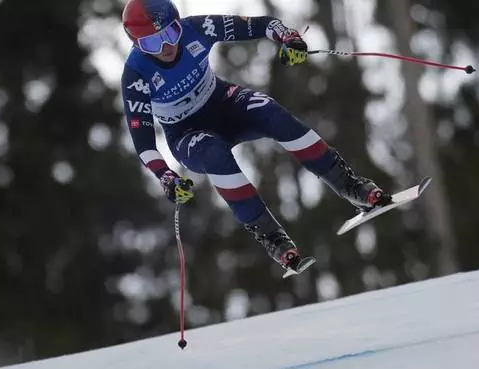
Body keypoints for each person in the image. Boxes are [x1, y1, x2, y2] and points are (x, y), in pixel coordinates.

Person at [121, 0, 392, 274]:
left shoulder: (197, 28)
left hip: (223, 104)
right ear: (137, 45)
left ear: (179, 24)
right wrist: (165, 176)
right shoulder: (136, 74)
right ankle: (273, 239)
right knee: (215, 154)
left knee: (272, 114)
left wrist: (289, 38)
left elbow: (262, 25)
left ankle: (353, 187)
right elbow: (143, 143)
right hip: (186, 133)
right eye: (152, 44)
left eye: (170, 33)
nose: (166, 46)